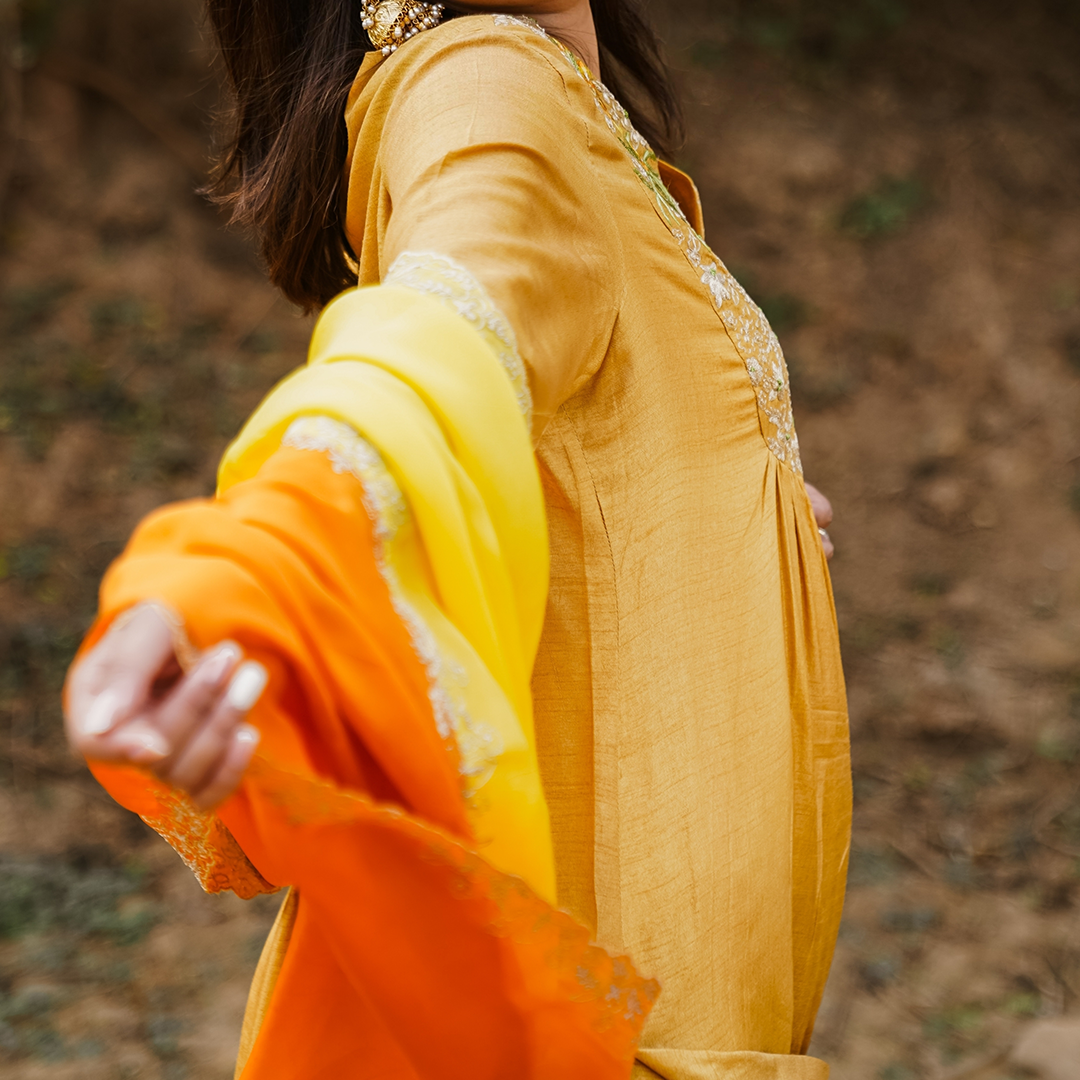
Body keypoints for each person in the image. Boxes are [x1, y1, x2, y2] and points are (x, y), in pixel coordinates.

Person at [64, 1, 850, 1077]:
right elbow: (441, 334)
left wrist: (731, 511)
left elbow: (550, 431)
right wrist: (248, 583)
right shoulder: (486, 84)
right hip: (614, 1002)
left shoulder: (556, 106)